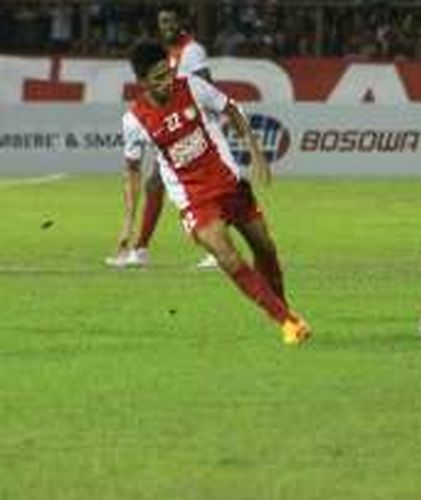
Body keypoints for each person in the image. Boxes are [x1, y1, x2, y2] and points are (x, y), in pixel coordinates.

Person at [114, 40, 311, 345]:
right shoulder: (134, 120)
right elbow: (131, 170)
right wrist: (128, 222)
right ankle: (286, 321)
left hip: (227, 182)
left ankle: (284, 309)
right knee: (227, 256)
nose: (167, 81)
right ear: (142, 82)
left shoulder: (192, 85)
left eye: (168, 72)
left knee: (265, 248)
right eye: (158, 78)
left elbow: (230, 109)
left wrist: (256, 152)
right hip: (193, 198)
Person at [106, 3, 218, 268]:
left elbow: (206, 87)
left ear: (181, 22)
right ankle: (141, 250)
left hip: (193, 129)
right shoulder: (167, 54)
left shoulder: (192, 51)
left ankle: (144, 250)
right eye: (162, 22)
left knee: (176, 187)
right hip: (175, 128)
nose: (166, 27)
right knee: (157, 184)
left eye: (170, 21)